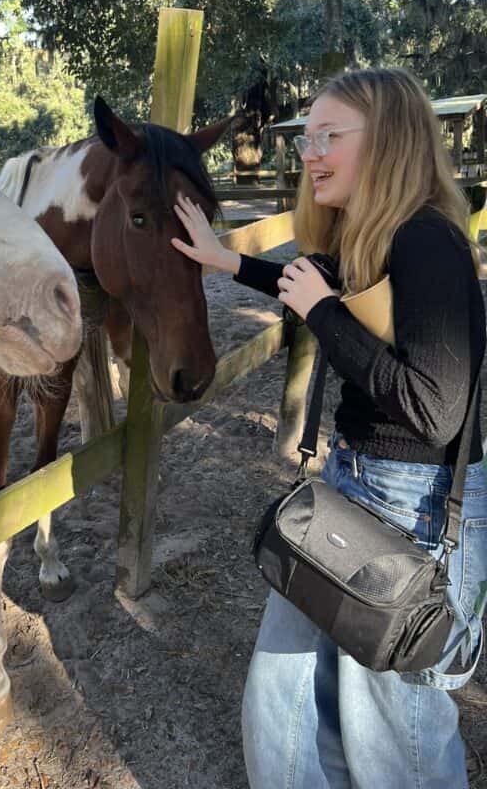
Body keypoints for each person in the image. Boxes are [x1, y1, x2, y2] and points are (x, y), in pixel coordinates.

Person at [171, 67, 487, 789]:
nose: (310, 152)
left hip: (415, 507)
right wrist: (227, 261)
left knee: (393, 737)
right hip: (356, 484)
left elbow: (435, 410)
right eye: (307, 136)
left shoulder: (426, 242)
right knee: (283, 698)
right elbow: (318, 278)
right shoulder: (376, 237)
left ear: (387, 144)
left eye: (329, 137)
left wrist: (321, 315)